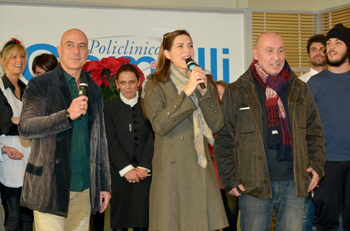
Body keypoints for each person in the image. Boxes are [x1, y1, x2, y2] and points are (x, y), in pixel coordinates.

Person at [214, 32, 326, 231]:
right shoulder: (237, 91)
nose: (276, 57)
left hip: (294, 182)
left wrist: (317, 165)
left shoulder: (300, 89)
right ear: (256, 53)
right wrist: (229, 178)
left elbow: (314, 132)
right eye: (270, 51)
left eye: (281, 51)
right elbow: (224, 138)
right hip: (252, 185)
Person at [18, 28, 111, 231]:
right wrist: (66, 114)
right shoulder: (40, 84)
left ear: (87, 53)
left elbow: (100, 141)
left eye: (81, 46)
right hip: (50, 188)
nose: (76, 51)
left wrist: (104, 185)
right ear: (60, 50)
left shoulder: (94, 89)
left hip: (84, 188)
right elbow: (25, 127)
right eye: (70, 45)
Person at [142, 29, 228, 231]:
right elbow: (160, 125)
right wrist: (187, 92)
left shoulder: (204, 82)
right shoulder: (155, 85)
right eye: (180, 46)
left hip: (200, 167)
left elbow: (216, 124)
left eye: (190, 45)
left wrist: (205, 92)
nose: (187, 50)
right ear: (167, 53)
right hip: (172, 173)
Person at [308, 23, 350, 231]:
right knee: (326, 224)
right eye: (328, 43)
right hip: (325, 165)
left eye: (338, 43)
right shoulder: (313, 84)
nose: (330, 47)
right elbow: (305, 127)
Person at [104, 64, 154, 231]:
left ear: (139, 82)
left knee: (143, 223)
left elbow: (153, 138)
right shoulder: (109, 108)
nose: (127, 87)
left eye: (131, 82)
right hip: (119, 174)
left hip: (144, 174)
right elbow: (110, 140)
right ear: (117, 84)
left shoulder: (149, 105)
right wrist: (126, 169)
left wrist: (144, 166)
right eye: (123, 83)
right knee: (120, 223)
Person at [0, 38, 33, 231]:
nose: (19, 60)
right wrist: (26, 122)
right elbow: (4, 125)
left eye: (22, 56)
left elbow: (36, 122)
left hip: (29, 159)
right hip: (9, 161)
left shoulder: (28, 89)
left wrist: (17, 120)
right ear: (3, 60)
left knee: (28, 220)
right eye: (13, 57)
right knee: (13, 218)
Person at [298, 34, 327, 231]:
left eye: (322, 49)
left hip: (333, 154)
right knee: (304, 214)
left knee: (334, 212)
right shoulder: (299, 84)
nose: (318, 53)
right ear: (308, 54)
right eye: (314, 49)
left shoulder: (342, 80)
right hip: (306, 155)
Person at [211, 80, 239, 231]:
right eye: (214, 94)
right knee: (212, 223)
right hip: (210, 178)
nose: (218, 98)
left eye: (221, 94)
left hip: (230, 176)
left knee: (231, 222)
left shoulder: (236, 118)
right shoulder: (203, 119)